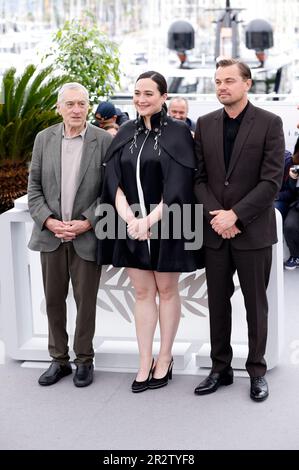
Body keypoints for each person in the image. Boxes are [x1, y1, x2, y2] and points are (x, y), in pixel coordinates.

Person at [96, 71, 203, 393]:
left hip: (168, 222)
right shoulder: (125, 131)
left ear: (163, 97)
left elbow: (180, 184)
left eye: (149, 94)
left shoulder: (179, 133)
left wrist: (149, 221)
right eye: (137, 93)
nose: (141, 99)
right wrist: (130, 218)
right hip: (130, 223)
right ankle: (145, 360)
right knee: (142, 293)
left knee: (167, 291)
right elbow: (111, 179)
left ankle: (165, 358)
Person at [193, 59, 284, 402]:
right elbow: (199, 179)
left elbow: (271, 180)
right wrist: (219, 216)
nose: (221, 87)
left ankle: (256, 371)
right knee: (217, 303)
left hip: (253, 231)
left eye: (229, 81)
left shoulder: (270, 123)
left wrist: (237, 216)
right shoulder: (204, 124)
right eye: (217, 81)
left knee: (255, 305)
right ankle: (221, 368)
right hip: (215, 231)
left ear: (247, 84)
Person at [27, 82, 112, 387]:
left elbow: (110, 192)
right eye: (71, 104)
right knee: (53, 301)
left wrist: (88, 221)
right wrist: (49, 221)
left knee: (86, 302)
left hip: (86, 237)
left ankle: (84, 360)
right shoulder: (43, 139)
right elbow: (34, 188)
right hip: (51, 236)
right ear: (59, 107)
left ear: (89, 107)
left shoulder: (102, 140)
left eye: (82, 104)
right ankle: (58, 360)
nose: (77, 110)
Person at [283, 136, 299, 270]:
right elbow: (293, 190)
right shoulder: (294, 164)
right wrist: (293, 179)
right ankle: (295, 255)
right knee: (289, 226)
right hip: (297, 204)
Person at [274, 150, 294, 220]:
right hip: (263, 196)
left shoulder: (288, 160)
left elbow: (290, 192)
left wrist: (274, 196)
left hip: (280, 199)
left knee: (273, 213)